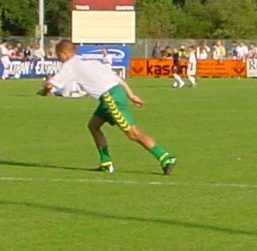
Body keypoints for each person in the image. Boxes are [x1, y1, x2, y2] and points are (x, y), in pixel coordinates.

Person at [37, 39, 176, 175]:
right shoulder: (88, 61)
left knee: (132, 133)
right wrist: (131, 95)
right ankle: (106, 163)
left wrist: (43, 92)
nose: (59, 58)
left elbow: (49, 85)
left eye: (59, 55)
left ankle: (165, 157)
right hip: (112, 94)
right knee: (93, 125)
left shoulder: (70, 65)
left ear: (64, 53)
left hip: (111, 98)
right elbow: (117, 78)